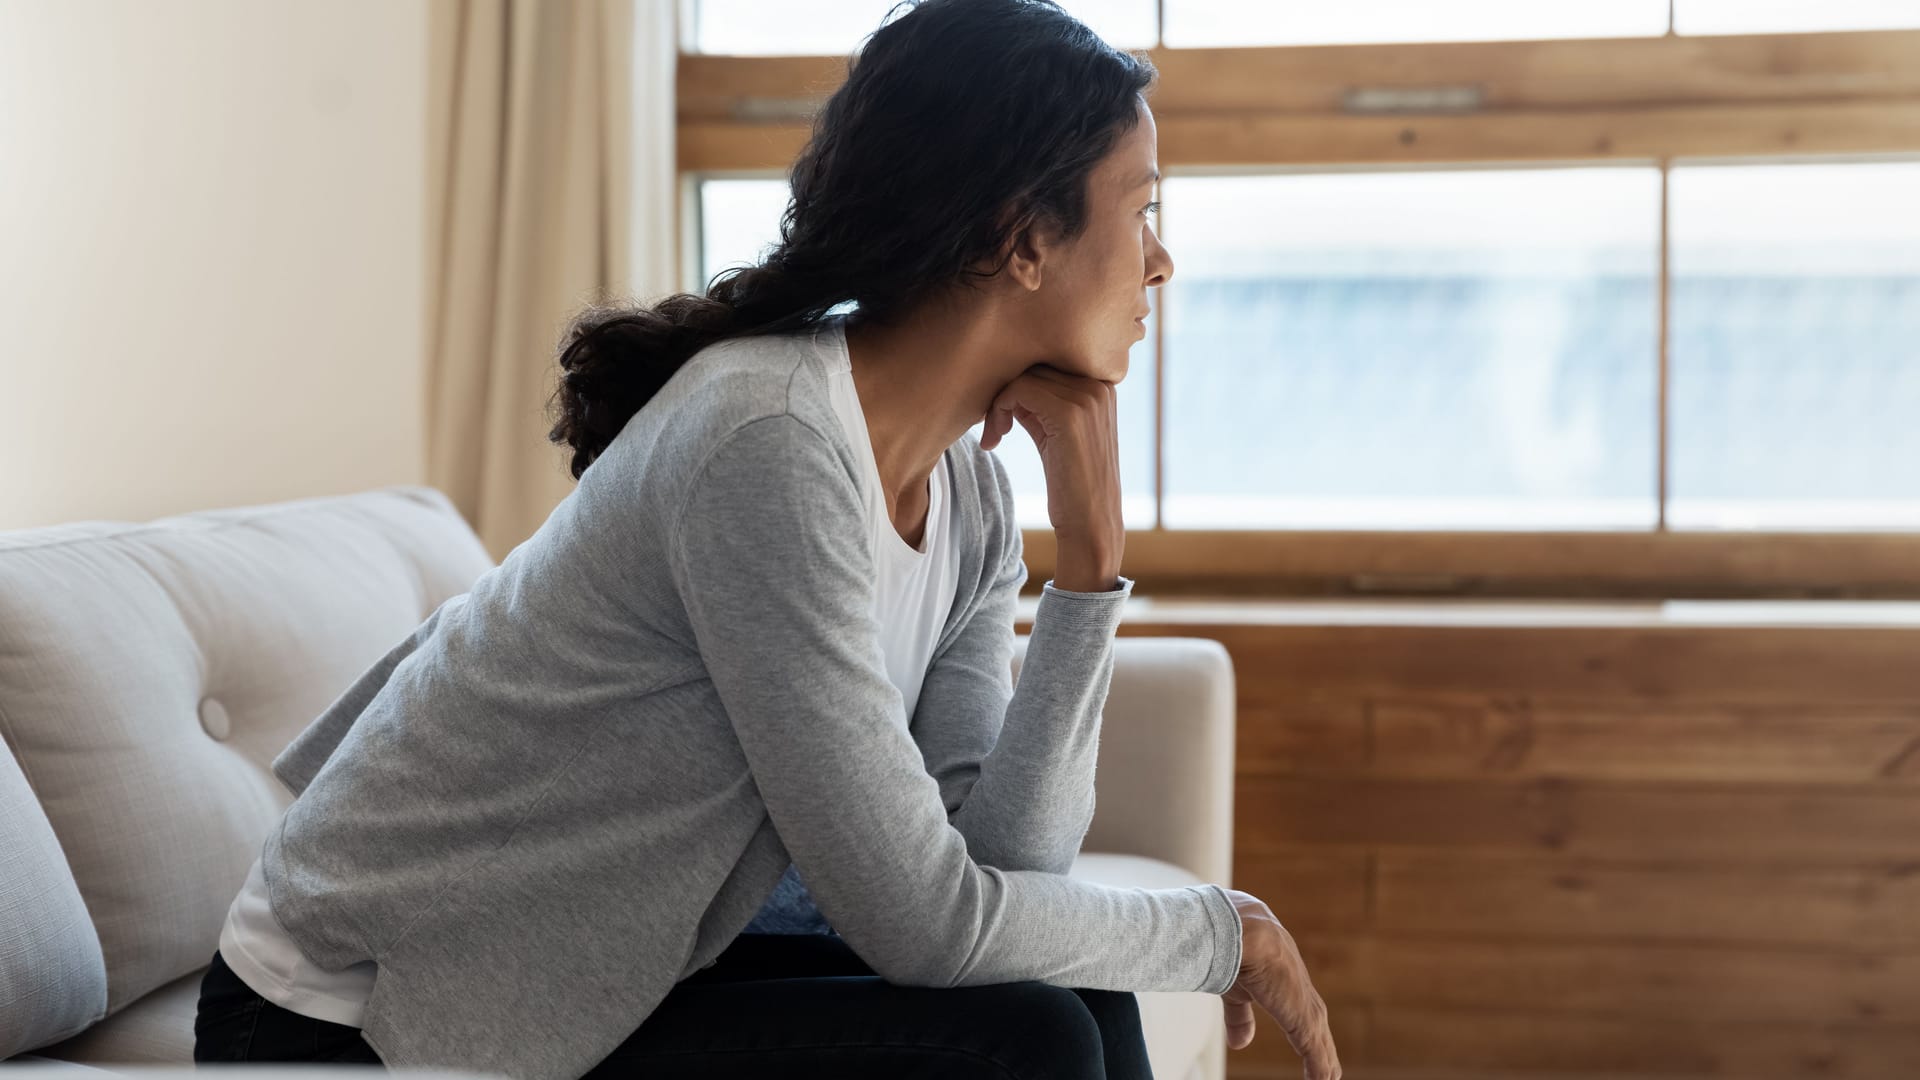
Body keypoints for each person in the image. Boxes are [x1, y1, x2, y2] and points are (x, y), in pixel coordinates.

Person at [192, 1, 1340, 1078]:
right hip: (359, 1008)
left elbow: (1004, 880)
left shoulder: (971, 499)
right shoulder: (769, 443)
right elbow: (926, 923)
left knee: (1071, 1000)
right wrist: (1214, 935)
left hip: (610, 963)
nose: (1160, 261)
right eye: (1140, 210)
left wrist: (1089, 567)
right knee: (1028, 1039)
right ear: (1021, 237)